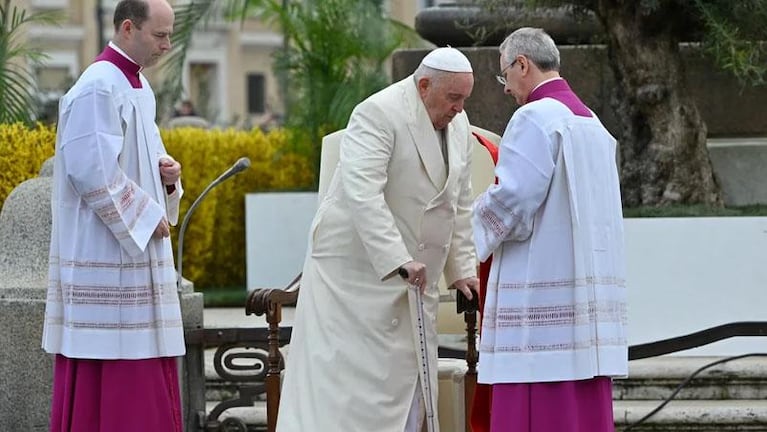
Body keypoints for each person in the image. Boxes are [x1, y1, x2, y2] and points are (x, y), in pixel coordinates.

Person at [276, 47, 481, 432]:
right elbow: (362, 193)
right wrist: (397, 258)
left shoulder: (459, 124)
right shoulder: (378, 113)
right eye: (453, 97)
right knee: (349, 396)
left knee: (405, 384)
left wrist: (461, 270)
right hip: (357, 279)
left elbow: (459, 201)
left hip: (413, 279)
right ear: (423, 86)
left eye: (464, 98)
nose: (459, 107)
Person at [471, 27, 628, 432]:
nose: (505, 88)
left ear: (522, 64)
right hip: (585, 303)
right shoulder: (592, 122)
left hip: (538, 307)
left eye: (504, 75)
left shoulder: (534, 118)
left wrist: (472, 214)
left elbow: (515, 200)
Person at [41, 1, 185, 431]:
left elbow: (140, 158)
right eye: (159, 35)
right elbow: (90, 171)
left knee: (144, 351)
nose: (167, 45)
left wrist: (168, 176)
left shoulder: (138, 86)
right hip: (107, 254)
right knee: (117, 368)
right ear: (128, 27)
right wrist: (146, 217)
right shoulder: (98, 86)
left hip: (134, 251)